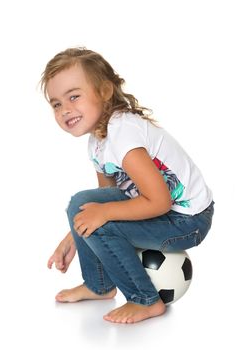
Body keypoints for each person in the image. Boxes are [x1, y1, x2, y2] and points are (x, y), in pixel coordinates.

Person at [41, 47, 214, 324]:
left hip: (187, 220)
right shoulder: (97, 141)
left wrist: (102, 214)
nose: (65, 110)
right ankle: (100, 286)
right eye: (56, 104)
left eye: (74, 96)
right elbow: (105, 199)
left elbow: (160, 202)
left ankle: (145, 300)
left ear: (105, 91)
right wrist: (71, 237)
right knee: (82, 203)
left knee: (103, 221)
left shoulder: (123, 133)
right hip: (161, 212)